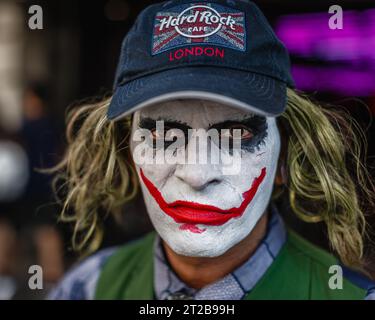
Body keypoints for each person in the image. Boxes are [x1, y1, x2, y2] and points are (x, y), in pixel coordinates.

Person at [49, 0, 375, 300]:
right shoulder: (87, 288)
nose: (197, 174)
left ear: (285, 158)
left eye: (235, 134)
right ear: (127, 151)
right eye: (164, 135)